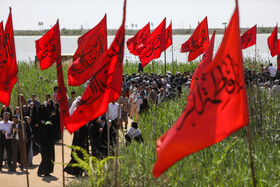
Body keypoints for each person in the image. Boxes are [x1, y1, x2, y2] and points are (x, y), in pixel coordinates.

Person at [37, 105, 55, 177]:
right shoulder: (42, 125)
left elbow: (52, 133)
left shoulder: (48, 123)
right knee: (45, 158)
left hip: (49, 144)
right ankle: (40, 171)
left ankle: (47, 172)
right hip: (44, 144)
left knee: (49, 158)